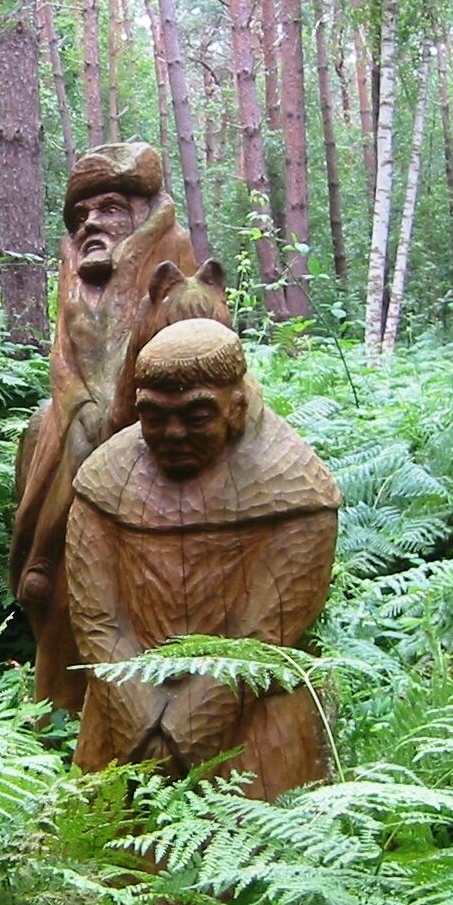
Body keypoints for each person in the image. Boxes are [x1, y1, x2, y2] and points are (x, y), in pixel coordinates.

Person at [66, 318, 340, 797]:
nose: (173, 434)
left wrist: (188, 726)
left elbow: (262, 634)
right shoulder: (103, 483)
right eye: (154, 416)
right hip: (123, 702)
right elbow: (96, 620)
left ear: (235, 409)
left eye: (195, 417)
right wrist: (135, 716)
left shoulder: (296, 488)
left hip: (249, 712)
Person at [10, 143, 200, 712]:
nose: (92, 223)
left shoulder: (175, 262)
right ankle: (61, 710)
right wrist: (76, 416)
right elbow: (63, 364)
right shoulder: (75, 279)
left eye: (110, 209)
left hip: (152, 447)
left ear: (144, 216)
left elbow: (187, 354)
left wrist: (120, 415)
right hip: (71, 442)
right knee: (40, 427)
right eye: (81, 216)